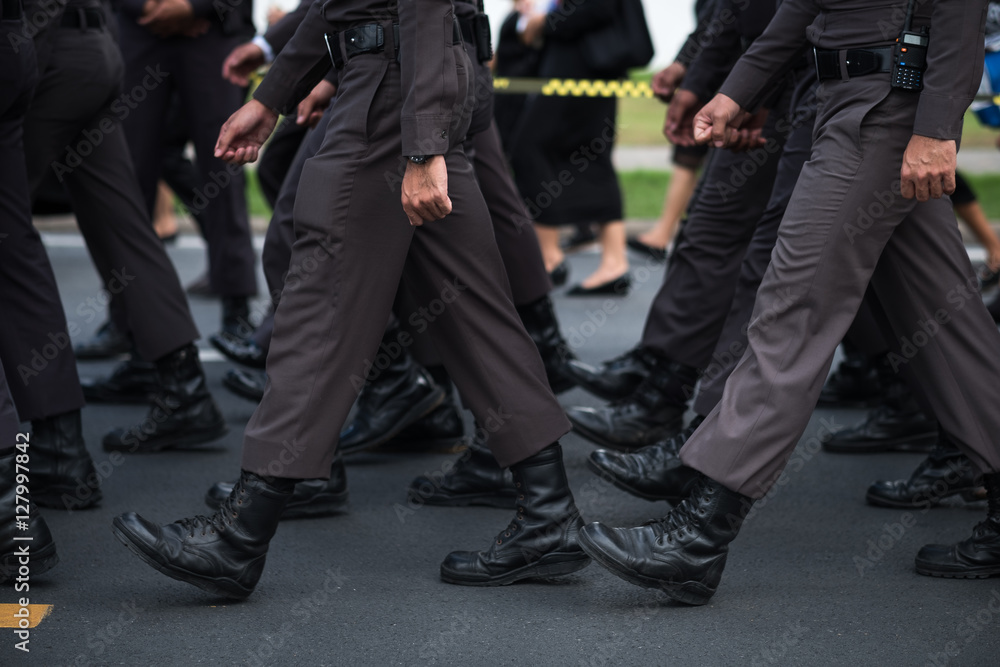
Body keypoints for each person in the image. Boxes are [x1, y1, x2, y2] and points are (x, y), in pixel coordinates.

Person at [111, 0, 589, 598]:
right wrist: (272, 95)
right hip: (419, 79)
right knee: (473, 310)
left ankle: (238, 537)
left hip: (395, 91)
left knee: (320, 306)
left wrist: (419, 147)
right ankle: (549, 514)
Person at [578, 0, 1000, 604]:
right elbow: (799, 8)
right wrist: (736, 91)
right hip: (844, 100)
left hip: (884, 107)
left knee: (791, 313)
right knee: (948, 324)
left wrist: (937, 127)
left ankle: (697, 537)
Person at [509, 0, 630, 295]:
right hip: (585, 66)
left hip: (580, 66)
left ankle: (550, 256)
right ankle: (614, 261)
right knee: (593, 155)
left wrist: (545, 22)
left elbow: (598, 8)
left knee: (529, 148)